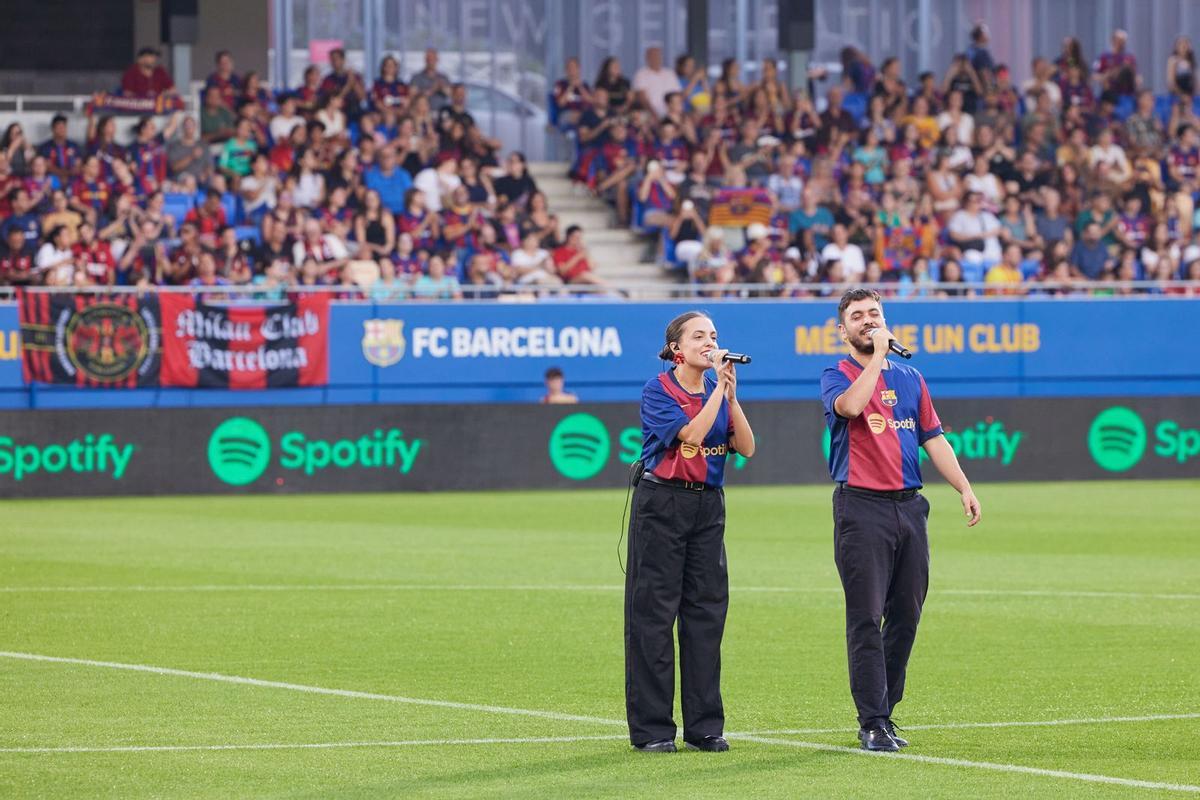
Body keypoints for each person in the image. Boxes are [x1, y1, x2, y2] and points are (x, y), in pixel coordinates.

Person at [820, 288, 981, 752]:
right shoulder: (838, 373)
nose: (867, 321)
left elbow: (933, 438)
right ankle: (870, 720)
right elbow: (850, 408)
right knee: (866, 616)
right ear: (843, 329)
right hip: (861, 507)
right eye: (857, 317)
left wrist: (964, 487)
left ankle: (886, 712)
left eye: (874, 313)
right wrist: (879, 358)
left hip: (910, 507)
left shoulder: (911, 377)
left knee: (906, 614)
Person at [625, 310, 755, 754]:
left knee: (705, 614)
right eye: (699, 336)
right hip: (663, 502)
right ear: (677, 350)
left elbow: (747, 447)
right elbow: (693, 437)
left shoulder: (720, 392)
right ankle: (653, 730)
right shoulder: (658, 389)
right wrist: (719, 390)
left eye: (714, 335)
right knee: (654, 617)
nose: (710, 342)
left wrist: (732, 396)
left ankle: (705, 727)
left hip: (707, 504)